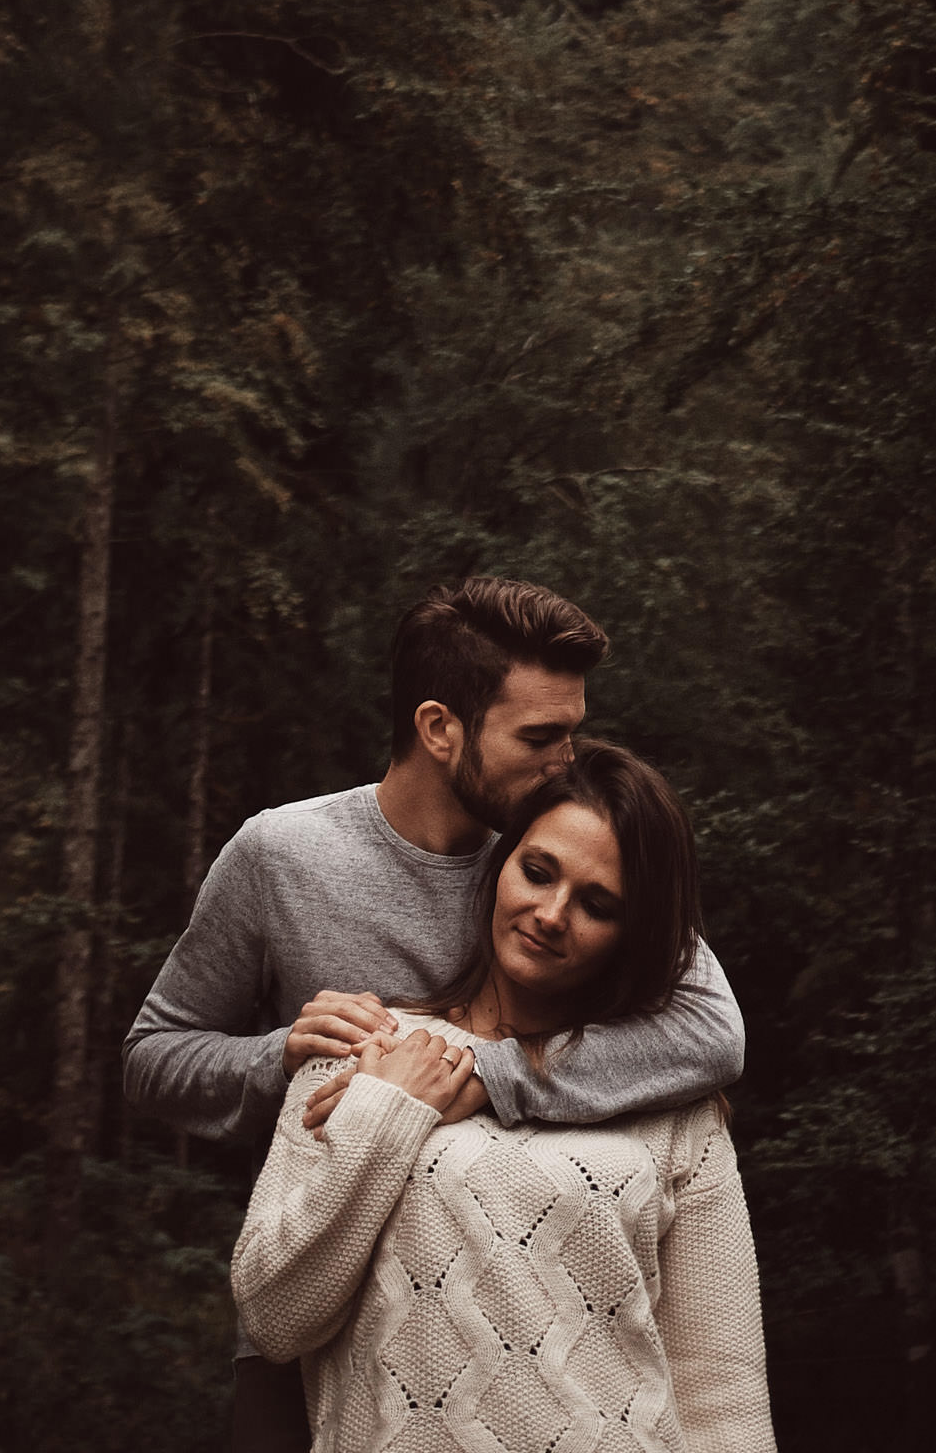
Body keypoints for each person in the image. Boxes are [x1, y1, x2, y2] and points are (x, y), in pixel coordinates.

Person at [123, 576, 747, 1453]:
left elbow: (714, 1034)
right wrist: (278, 1055)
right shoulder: (283, 856)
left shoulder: (553, 858)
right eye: (542, 736)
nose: (567, 760)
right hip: (315, 1310)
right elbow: (153, 1058)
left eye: (573, 732)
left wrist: (486, 1077)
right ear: (439, 727)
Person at [231, 741, 774, 1453]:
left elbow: (720, 1389)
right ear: (498, 866)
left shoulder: (676, 1101)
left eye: (597, 904)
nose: (551, 914)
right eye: (538, 872)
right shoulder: (364, 1052)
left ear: (631, 934)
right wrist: (387, 1112)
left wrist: (484, 1078)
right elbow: (275, 1316)